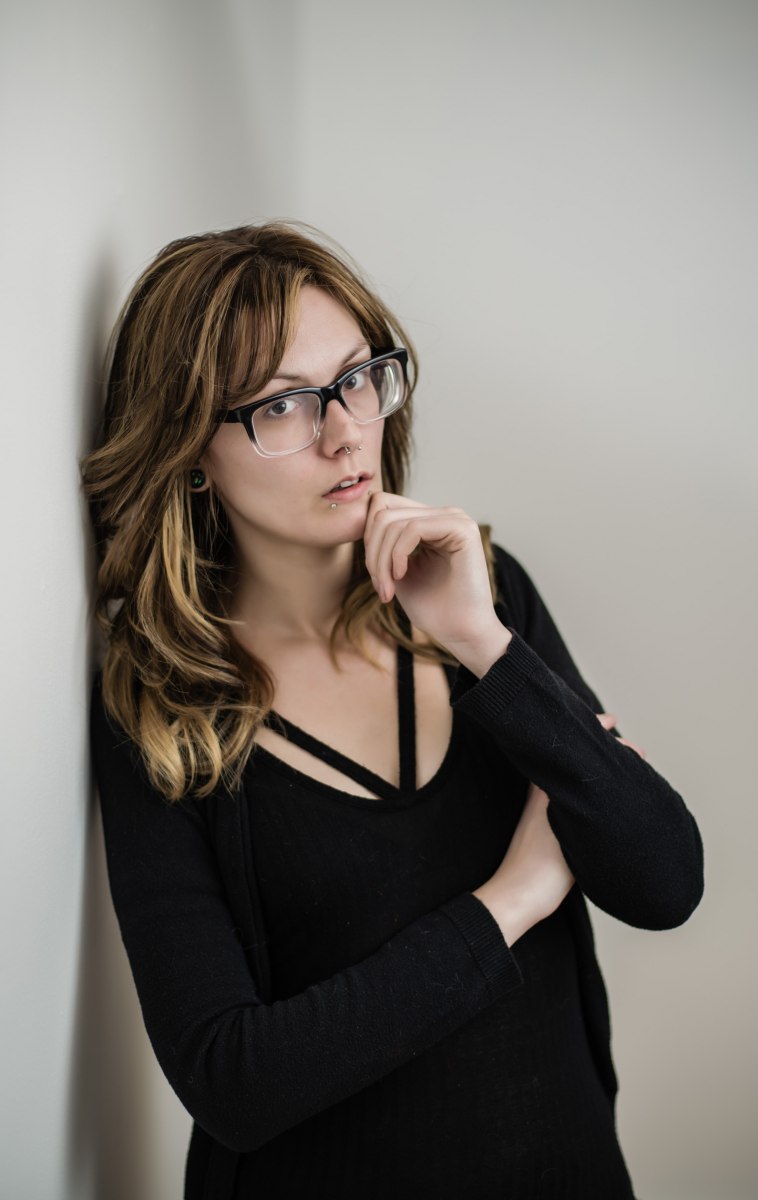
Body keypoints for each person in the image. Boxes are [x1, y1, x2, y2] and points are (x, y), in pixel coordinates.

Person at [82, 221, 704, 1200]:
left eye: (356, 379)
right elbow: (233, 1079)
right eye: (283, 404)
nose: (345, 432)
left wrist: (483, 643)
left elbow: (665, 882)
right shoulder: (157, 708)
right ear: (192, 448)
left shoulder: (487, 596)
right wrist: (514, 899)